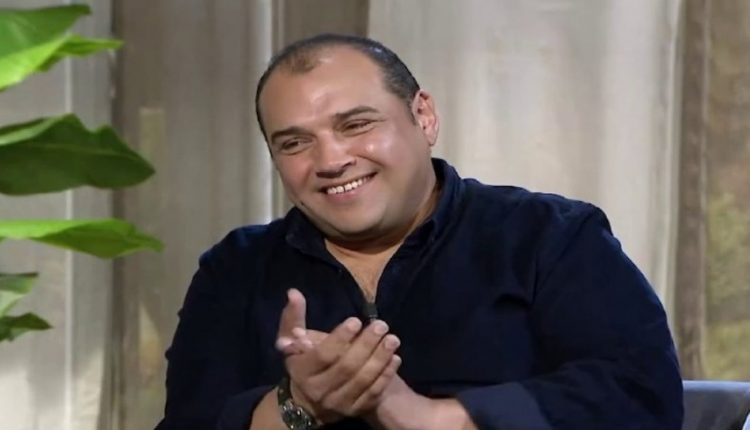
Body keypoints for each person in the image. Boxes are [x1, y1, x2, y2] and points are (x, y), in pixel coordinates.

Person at [155, 33, 683, 430]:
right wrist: (299, 404)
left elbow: (641, 396)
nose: (331, 161)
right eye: (295, 143)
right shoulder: (236, 268)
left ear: (423, 117)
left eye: (356, 124)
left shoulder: (550, 237)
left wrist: (430, 418)